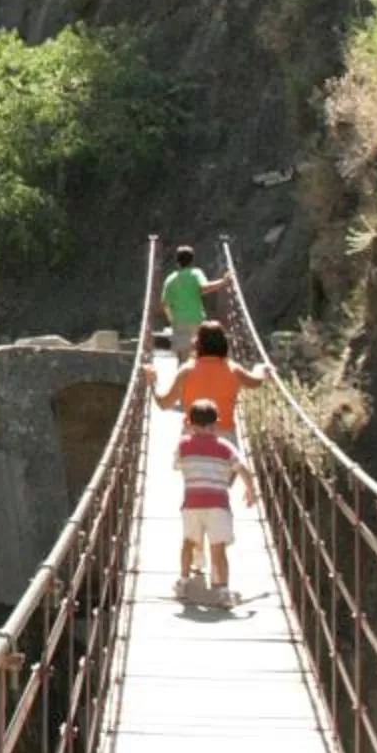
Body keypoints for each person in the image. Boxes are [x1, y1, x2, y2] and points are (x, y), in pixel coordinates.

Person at [176, 397, 255, 600]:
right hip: (218, 505)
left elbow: (176, 465)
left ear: (189, 424)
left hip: (192, 504)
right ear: (216, 424)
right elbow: (243, 468)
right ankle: (222, 590)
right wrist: (250, 489)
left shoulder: (183, 445)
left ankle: (183, 581)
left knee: (188, 542)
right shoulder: (225, 447)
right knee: (218, 549)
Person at [155, 320, 270, 438]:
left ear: (197, 343)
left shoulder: (186, 370)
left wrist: (153, 382)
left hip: (193, 436)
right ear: (224, 343)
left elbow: (164, 404)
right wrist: (260, 369)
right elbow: (255, 381)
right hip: (224, 437)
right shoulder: (234, 369)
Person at [159, 244, 223, 363]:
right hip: (196, 321)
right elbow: (205, 288)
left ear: (177, 261)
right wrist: (223, 282)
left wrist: (172, 320)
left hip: (179, 322)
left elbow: (165, 305)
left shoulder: (170, 279)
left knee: (183, 358)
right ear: (192, 261)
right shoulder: (196, 273)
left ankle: (183, 379)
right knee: (198, 356)